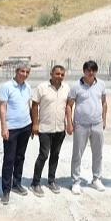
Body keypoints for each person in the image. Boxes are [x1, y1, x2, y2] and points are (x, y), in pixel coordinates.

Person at [29, 65, 71, 197]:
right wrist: (35, 124)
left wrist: (69, 123)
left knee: (55, 155)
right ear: (51, 74)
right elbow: (34, 106)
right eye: (57, 74)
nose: (60, 76)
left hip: (60, 128)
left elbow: (68, 106)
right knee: (43, 155)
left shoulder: (66, 88)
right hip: (45, 128)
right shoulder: (42, 87)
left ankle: (51, 180)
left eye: (62, 74)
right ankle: (35, 183)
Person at [67, 60, 107, 194]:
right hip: (81, 125)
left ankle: (96, 179)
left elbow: (104, 102)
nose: (91, 73)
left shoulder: (101, 84)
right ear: (84, 71)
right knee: (77, 154)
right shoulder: (76, 86)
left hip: (97, 124)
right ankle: (76, 181)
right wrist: (69, 123)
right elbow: (69, 106)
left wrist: (104, 119)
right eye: (88, 70)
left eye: (93, 70)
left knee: (98, 153)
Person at [0, 63, 33, 205]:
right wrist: (3, 127)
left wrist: (32, 125)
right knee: (9, 159)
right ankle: (6, 190)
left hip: (25, 126)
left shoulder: (27, 87)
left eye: (27, 72)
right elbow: (2, 108)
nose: (24, 74)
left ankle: (16, 183)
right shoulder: (6, 87)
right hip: (12, 128)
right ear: (16, 71)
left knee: (20, 157)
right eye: (22, 71)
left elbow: (28, 105)